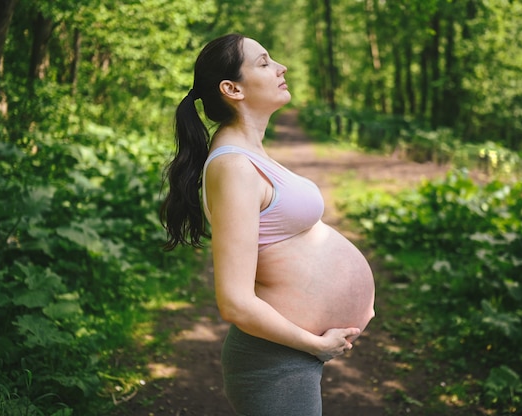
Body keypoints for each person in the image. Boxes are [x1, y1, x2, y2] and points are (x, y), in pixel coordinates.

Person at [160, 33, 375, 416]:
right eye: (263, 62)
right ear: (232, 88)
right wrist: (314, 344)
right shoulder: (233, 167)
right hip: (275, 362)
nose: (281, 68)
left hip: (287, 358)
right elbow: (235, 302)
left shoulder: (249, 154)